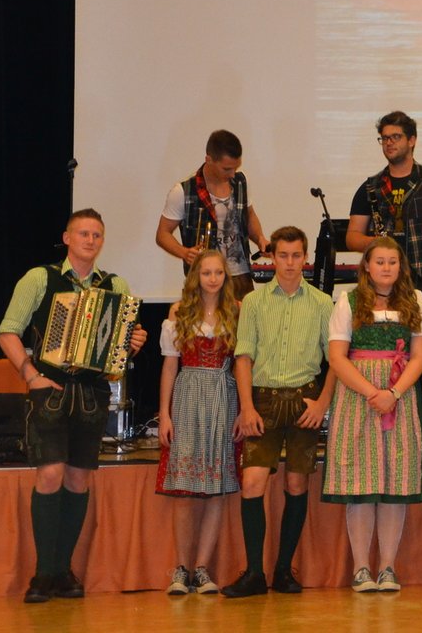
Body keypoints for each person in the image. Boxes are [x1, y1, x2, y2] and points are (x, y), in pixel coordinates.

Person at [0, 209, 148, 604]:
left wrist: (132, 343)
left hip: (92, 394)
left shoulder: (115, 285)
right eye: (83, 233)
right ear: (67, 238)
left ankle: (62, 571)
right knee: (50, 474)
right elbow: (8, 331)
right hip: (50, 390)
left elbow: (119, 350)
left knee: (78, 480)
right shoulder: (40, 278)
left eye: (97, 235)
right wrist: (30, 374)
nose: (90, 240)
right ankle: (43, 572)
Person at [223, 225, 336, 598]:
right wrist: (246, 407)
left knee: (296, 484)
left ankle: (284, 570)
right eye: (282, 255)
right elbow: (243, 357)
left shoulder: (322, 303)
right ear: (272, 257)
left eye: (296, 256)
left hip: (305, 401)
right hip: (264, 401)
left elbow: (335, 360)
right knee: (253, 482)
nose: (289, 263)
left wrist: (322, 403)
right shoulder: (254, 302)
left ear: (306, 258)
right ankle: (254, 573)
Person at [322, 238, 422, 592]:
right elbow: (337, 358)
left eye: (392, 262)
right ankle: (361, 568)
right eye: (380, 261)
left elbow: (419, 356)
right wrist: (373, 393)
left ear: (401, 266)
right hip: (359, 398)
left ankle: (387, 567)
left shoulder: (415, 300)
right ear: (367, 266)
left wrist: (394, 393)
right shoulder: (349, 301)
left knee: (394, 484)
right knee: (361, 483)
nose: (386, 267)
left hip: (399, 396)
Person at [347, 110, 422, 417]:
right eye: (384, 138)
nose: (389, 143)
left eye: (395, 137)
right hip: (386, 283)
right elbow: (352, 237)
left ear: (412, 140)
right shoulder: (370, 187)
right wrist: (379, 243)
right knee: (392, 352)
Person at [156, 249, 241, 595]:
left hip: (223, 396)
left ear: (225, 276)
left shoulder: (236, 312)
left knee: (216, 488)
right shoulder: (179, 312)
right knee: (185, 490)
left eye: (218, 272)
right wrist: (165, 413)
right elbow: (169, 365)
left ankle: (203, 568)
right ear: (196, 277)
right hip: (188, 396)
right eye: (206, 273)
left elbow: (243, 363)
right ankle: (181, 568)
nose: (213, 279)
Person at [155, 129, 267, 299]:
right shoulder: (183, 191)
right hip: (205, 278)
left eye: (236, 167)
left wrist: (260, 239)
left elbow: (249, 215)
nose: (232, 174)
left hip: (241, 277)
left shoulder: (240, 181)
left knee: (245, 317)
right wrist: (184, 253)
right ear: (209, 160)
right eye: (226, 169)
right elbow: (162, 234)